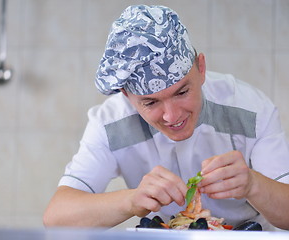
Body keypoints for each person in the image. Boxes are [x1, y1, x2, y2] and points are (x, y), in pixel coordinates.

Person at [43, 5, 289, 230]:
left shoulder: (250, 109)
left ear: (201, 69)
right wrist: (130, 200)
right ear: (127, 95)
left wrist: (253, 185)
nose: (172, 116)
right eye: (150, 102)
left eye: (182, 92)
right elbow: (56, 218)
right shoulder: (109, 123)